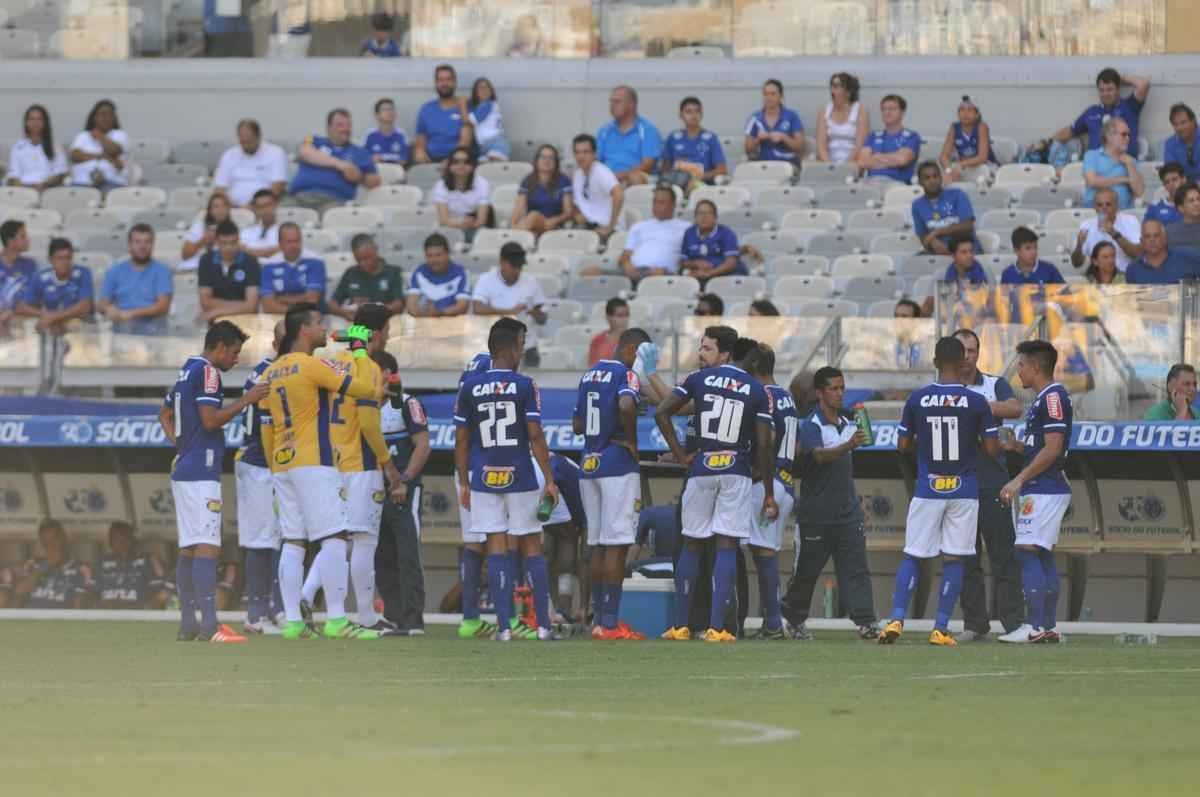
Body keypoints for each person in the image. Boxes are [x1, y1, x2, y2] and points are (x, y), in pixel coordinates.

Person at [258, 303, 388, 640]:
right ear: (303, 330)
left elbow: (266, 427)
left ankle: (294, 623)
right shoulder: (309, 365)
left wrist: (275, 468)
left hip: (282, 462)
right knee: (333, 537)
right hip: (314, 460)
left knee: (294, 541)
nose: (323, 329)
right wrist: (359, 350)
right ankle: (336, 620)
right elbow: (363, 389)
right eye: (318, 324)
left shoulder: (270, 372)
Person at [655, 327, 777, 643]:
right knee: (726, 545)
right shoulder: (755, 389)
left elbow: (662, 411)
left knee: (692, 543)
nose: (700, 353)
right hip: (735, 469)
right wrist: (767, 490)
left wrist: (682, 455)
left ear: (724, 353)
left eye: (706, 348)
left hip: (701, 468)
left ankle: (681, 626)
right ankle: (717, 627)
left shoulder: (698, 379)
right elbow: (764, 444)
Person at [879, 336, 1000, 646]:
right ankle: (941, 627)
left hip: (928, 487)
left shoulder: (917, 399)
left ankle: (895, 619)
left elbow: (902, 445)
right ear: (963, 363)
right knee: (955, 559)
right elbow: (990, 448)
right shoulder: (976, 402)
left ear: (934, 363)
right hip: (964, 489)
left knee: (914, 554)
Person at [158, 320, 266, 643]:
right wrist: (247, 400)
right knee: (207, 545)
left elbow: (163, 414)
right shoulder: (207, 373)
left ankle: (189, 624)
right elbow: (210, 420)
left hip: (186, 468)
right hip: (201, 471)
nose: (235, 360)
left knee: (189, 546)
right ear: (219, 348)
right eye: (234, 353)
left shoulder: (185, 369)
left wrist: (179, 445)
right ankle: (210, 626)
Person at [299, 304, 404, 634]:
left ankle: (305, 594)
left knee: (336, 538)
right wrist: (388, 464)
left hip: (329, 461)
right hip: (360, 463)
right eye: (386, 330)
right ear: (374, 333)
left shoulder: (327, 362)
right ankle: (367, 617)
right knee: (363, 540)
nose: (387, 337)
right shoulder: (369, 368)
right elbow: (370, 425)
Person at [453, 317, 560, 641]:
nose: (522, 352)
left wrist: (464, 482)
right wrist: (550, 478)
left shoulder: (469, 387)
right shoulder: (525, 385)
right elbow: (535, 435)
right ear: (512, 348)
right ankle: (542, 626)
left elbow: (461, 439)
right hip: (520, 475)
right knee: (531, 546)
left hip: (484, 476)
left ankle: (502, 628)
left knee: (495, 547)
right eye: (522, 345)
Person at [779, 366, 879, 640]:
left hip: (847, 512)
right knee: (806, 573)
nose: (839, 393)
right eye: (833, 389)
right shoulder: (811, 424)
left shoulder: (848, 422)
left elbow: (867, 440)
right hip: (816, 514)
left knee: (856, 568)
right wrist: (848, 446)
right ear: (820, 393)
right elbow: (819, 456)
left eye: (842, 388)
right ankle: (793, 617)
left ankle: (866, 622)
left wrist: (863, 423)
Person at [574, 327, 652, 639]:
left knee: (596, 544)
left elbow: (577, 424)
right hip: (617, 464)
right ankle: (609, 622)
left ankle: (595, 618)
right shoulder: (627, 375)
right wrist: (631, 441)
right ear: (633, 350)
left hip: (588, 463)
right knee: (617, 546)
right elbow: (625, 406)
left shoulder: (589, 374)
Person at [997, 340, 1074, 644]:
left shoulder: (1053, 397)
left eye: (1022, 365)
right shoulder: (1043, 398)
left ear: (1037, 367)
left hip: (1044, 488)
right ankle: (1048, 626)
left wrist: (1019, 479)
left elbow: (1054, 448)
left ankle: (1035, 627)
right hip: (1044, 487)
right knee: (1040, 553)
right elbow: (1043, 445)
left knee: (1026, 551)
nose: (1019, 370)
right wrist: (1017, 447)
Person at [953, 328, 1025, 641]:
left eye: (972, 350)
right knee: (965, 556)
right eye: (961, 350)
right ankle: (975, 623)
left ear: (978, 354)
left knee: (1003, 554)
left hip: (993, 480)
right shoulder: (941, 388)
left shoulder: (993, 384)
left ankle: (1012, 623)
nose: (967, 357)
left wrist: (978, 406)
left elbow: (1015, 407)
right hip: (958, 481)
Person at [738, 343, 798, 640]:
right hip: (784, 480)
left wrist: (756, 473)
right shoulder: (785, 395)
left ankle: (773, 621)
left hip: (767, 485)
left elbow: (769, 438)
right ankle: (771, 621)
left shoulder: (761, 395)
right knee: (765, 551)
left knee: (764, 554)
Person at [376, 350, 432, 633]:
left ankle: (413, 619)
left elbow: (422, 445)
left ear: (389, 373)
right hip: (373, 490)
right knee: (380, 555)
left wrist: (406, 481)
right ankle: (395, 616)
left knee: (407, 553)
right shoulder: (364, 406)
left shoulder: (407, 404)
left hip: (403, 490)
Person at [236, 320, 284, 635]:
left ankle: (280, 608)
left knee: (285, 538)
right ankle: (256, 612)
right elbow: (255, 426)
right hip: (260, 465)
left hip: (284, 466)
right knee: (262, 539)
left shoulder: (297, 368)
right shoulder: (267, 373)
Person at [288, 109, 379, 211]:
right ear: (328, 128)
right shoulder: (313, 139)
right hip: (298, 197)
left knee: (338, 219)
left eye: (348, 125)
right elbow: (304, 152)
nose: (345, 129)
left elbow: (375, 181)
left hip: (334, 201)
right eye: (340, 125)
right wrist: (341, 165)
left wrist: (359, 177)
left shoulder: (360, 152)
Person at [472, 242, 547, 362]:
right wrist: (510, 311)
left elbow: (543, 319)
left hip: (527, 348)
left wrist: (534, 312)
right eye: (513, 266)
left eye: (520, 266)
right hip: (495, 349)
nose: (517, 270)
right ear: (502, 261)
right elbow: (477, 308)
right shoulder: (486, 279)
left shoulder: (531, 282)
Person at [1052, 67, 1150, 154]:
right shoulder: (1091, 112)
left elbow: (1143, 84)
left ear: (1118, 88)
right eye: (1102, 90)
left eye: (1110, 89)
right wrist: (1046, 143)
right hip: (1095, 167)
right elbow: (1069, 131)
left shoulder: (1130, 106)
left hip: (1124, 166)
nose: (1105, 94)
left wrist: (1120, 78)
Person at [98, 225, 172, 335]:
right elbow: (102, 303)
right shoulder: (115, 271)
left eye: (147, 242)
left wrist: (130, 314)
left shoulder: (162, 271)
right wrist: (108, 309)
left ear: (153, 245)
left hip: (153, 331)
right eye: (137, 242)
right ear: (129, 245)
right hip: (121, 328)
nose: (142, 246)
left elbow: (163, 307)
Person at [11, 520, 94, 609]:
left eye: (55, 539)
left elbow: (80, 608)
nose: (52, 545)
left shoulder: (82, 569)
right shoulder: (32, 563)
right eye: (46, 542)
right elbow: (19, 594)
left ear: (64, 539)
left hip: (59, 620)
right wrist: (45, 565)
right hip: (29, 619)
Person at [19, 238, 94, 333]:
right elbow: (22, 307)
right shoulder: (41, 277)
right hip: (50, 322)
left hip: (77, 321)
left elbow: (85, 306)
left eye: (68, 258)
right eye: (60, 258)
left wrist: (55, 317)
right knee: (26, 323)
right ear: (50, 259)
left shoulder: (83, 273)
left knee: (74, 324)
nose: (65, 262)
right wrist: (44, 314)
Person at [618, 184, 690, 283]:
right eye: (654, 202)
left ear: (673, 205)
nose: (656, 206)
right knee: (593, 271)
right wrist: (626, 264)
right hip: (633, 272)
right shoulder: (639, 226)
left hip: (664, 274)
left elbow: (687, 258)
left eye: (661, 202)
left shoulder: (686, 228)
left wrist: (666, 270)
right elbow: (625, 255)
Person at [329, 233, 405, 320]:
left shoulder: (393, 272)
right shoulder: (350, 273)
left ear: (375, 250)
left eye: (366, 258)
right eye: (358, 260)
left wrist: (374, 311)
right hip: (358, 325)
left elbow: (399, 304)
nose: (363, 263)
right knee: (340, 333)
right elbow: (332, 303)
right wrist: (345, 312)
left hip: (385, 323)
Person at [96, 522, 171, 610]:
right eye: (117, 539)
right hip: (106, 617)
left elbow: (161, 596)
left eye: (126, 538)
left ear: (134, 540)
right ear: (110, 542)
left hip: (138, 616)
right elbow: (91, 595)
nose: (122, 543)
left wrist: (136, 608)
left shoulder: (148, 561)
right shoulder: (101, 563)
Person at [597, 85, 662, 186]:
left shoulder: (648, 130)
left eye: (617, 102)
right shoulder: (605, 131)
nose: (612, 106)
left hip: (632, 179)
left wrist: (618, 176)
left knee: (635, 177)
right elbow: (595, 160)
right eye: (611, 102)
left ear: (632, 104)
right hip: (607, 180)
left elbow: (647, 165)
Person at [197, 220, 261, 323]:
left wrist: (216, 312)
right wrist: (242, 306)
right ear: (216, 242)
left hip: (246, 321)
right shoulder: (206, 260)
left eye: (233, 242)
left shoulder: (251, 262)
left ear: (238, 240)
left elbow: (252, 306)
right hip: (215, 323)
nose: (229, 247)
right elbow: (205, 302)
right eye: (224, 243)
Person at [213, 119, 288, 207]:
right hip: (233, 207)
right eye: (243, 142)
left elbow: (277, 188)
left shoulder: (276, 153)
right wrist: (231, 205)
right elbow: (220, 188)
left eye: (249, 142)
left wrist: (253, 206)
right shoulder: (229, 155)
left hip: (264, 206)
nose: (246, 146)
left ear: (258, 137)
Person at [912, 160, 980, 255]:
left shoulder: (957, 195)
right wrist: (932, 242)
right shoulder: (917, 205)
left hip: (965, 250)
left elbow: (967, 226)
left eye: (935, 176)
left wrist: (937, 232)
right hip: (938, 251)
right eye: (927, 178)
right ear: (920, 182)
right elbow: (923, 237)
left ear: (941, 178)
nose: (932, 181)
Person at [1070, 187, 1142, 273]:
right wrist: (1079, 246)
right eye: (1099, 205)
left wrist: (1113, 233)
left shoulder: (1130, 221)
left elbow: (1137, 255)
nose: (1104, 208)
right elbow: (1076, 264)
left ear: (1117, 206)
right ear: (1094, 207)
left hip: (1126, 276)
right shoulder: (1086, 225)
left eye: (1108, 204)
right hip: (1098, 278)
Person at [661, 96, 727, 188]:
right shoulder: (673, 138)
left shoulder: (711, 138)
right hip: (676, 184)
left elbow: (722, 170)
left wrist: (699, 177)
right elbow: (665, 168)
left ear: (702, 114)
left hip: (701, 185)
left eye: (697, 111)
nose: (694, 115)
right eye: (689, 112)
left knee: (693, 186)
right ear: (681, 115)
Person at [260, 223, 326, 313]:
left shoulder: (315, 261)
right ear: (280, 244)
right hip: (278, 318)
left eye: (297, 241)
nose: (294, 245)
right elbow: (268, 306)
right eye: (289, 242)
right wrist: (301, 299)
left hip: (309, 318)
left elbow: (312, 300)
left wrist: (281, 299)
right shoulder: (269, 265)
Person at [856, 95, 921, 184]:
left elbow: (902, 159)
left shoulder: (912, 136)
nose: (887, 112)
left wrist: (876, 157)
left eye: (891, 109)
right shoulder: (873, 136)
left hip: (897, 184)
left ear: (902, 112)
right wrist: (892, 159)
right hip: (870, 182)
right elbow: (863, 162)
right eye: (884, 109)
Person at [414, 64, 472, 164]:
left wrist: (451, 160)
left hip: (458, 161)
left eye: (448, 79)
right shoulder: (426, 109)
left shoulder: (465, 107)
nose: (444, 83)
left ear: (455, 82)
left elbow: (465, 141)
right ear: (436, 83)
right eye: (440, 80)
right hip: (430, 160)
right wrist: (420, 150)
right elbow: (421, 137)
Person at [1082, 117, 1144, 210]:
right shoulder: (1092, 155)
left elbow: (1139, 192)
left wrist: (1130, 165)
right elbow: (1092, 181)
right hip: (1094, 214)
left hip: (1123, 213)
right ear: (1109, 136)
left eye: (1128, 135)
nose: (1128, 138)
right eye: (1123, 134)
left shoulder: (1130, 160)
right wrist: (1124, 180)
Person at [431, 146, 491, 240]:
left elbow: (481, 220)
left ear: (473, 166)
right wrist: (461, 223)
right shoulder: (441, 185)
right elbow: (444, 220)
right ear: (450, 165)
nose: (461, 165)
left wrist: (470, 224)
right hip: (449, 228)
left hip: (474, 227)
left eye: (466, 162)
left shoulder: (482, 183)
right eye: (456, 162)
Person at [680, 199, 745, 285]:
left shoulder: (726, 233)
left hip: (724, 277)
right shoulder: (689, 233)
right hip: (698, 277)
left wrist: (709, 274)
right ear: (695, 217)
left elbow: (731, 263)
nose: (704, 217)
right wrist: (695, 263)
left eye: (708, 213)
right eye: (700, 213)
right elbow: (683, 262)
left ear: (715, 218)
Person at [571, 134, 623, 240]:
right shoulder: (577, 174)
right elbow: (578, 202)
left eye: (585, 152)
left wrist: (610, 226)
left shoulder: (601, 171)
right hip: (588, 226)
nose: (581, 156)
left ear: (594, 154)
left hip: (607, 229)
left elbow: (619, 194)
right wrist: (578, 214)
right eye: (577, 152)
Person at [512, 144, 574, 234]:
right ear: (536, 160)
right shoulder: (528, 180)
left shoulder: (564, 181)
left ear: (556, 162)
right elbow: (518, 208)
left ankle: (514, 235)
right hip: (532, 225)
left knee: (533, 216)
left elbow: (568, 212)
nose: (546, 161)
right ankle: (515, 233)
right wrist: (513, 224)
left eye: (551, 158)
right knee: (532, 217)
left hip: (554, 225)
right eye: (543, 157)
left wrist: (555, 220)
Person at [405, 232, 470, 317]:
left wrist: (439, 313)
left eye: (438, 255)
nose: (434, 260)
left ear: (447, 254)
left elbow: (462, 306)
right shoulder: (419, 272)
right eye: (429, 256)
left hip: (452, 322)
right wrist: (421, 314)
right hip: (423, 322)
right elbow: (411, 305)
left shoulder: (461, 273)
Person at [68, 99, 128, 190]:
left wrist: (100, 136)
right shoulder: (83, 135)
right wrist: (104, 157)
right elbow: (75, 155)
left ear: (114, 118)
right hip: (82, 182)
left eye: (110, 115)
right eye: (102, 114)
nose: (106, 118)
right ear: (94, 117)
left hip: (111, 183)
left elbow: (114, 150)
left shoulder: (120, 134)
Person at [744, 79, 805, 166]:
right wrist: (758, 140)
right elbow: (747, 150)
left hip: (787, 166)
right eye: (765, 94)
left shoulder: (792, 116)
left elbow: (800, 147)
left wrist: (783, 137)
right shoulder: (755, 118)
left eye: (773, 94)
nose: (768, 98)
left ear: (781, 96)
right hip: (762, 166)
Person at [938, 95, 998, 183]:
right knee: (946, 178)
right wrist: (949, 170)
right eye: (962, 110)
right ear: (958, 113)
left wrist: (960, 165)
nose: (965, 114)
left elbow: (982, 157)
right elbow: (943, 156)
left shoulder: (982, 127)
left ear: (977, 114)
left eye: (970, 110)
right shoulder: (954, 127)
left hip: (985, 166)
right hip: (965, 167)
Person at [7, 104, 67, 189]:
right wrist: (26, 188)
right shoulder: (18, 147)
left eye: (39, 119)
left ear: (45, 122)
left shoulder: (55, 146)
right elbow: (13, 175)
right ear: (26, 123)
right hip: (23, 191)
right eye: (32, 119)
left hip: (48, 190)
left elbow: (61, 173)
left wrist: (45, 185)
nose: (35, 123)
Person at [1126, 218, 1200, 284]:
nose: (1152, 240)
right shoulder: (1133, 269)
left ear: (1165, 239)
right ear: (1142, 242)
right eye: (1147, 236)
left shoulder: (1188, 257)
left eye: (1156, 235)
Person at [816, 72, 867, 165]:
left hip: (853, 160)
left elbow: (860, 145)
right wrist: (829, 165)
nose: (832, 90)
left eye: (836, 86)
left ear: (848, 91)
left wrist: (845, 167)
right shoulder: (824, 110)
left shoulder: (860, 110)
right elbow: (821, 145)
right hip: (828, 160)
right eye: (831, 86)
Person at [0, 220, 38, 336]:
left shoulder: (30, 265)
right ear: (11, 241)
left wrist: (12, 312)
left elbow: (35, 299)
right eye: (23, 236)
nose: (28, 240)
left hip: (22, 319)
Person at [1001, 226, 1066, 285]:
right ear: (1016, 250)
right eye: (1028, 248)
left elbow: (1065, 294)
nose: (1034, 252)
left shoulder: (1050, 269)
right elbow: (1003, 297)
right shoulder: (1007, 274)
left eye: (1035, 247)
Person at [468, 77, 510, 162]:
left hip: (495, 144)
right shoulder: (483, 106)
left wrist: (462, 107)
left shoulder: (488, 104)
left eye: (487, 87)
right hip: (485, 146)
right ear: (475, 93)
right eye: (480, 88)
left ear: (491, 91)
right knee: (484, 168)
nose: (484, 90)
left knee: (493, 168)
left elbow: (471, 120)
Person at [363, 98, 410, 165]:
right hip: (376, 172)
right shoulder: (369, 134)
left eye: (391, 109)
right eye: (385, 110)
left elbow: (404, 160)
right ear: (377, 115)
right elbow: (363, 158)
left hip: (397, 171)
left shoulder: (401, 134)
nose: (389, 112)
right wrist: (371, 159)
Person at [240, 189, 281, 260]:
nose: (265, 210)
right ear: (255, 209)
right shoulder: (246, 232)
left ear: (276, 205)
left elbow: (286, 247)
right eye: (261, 207)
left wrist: (249, 251)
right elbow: (238, 247)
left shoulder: (285, 231)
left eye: (268, 205)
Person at [1163, 103, 1200, 182]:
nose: (1179, 128)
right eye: (1175, 124)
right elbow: (1172, 174)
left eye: (1183, 122)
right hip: (1183, 188)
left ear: (1193, 121)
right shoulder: (1170, 145)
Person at [588, 297, 629, 367]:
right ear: (608, 317)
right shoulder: (597, 341)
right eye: (620, 315)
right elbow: (593, 368)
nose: (624, 319)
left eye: (627, 315)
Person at [1165, 181, 1200, 255]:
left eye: (1198, 199)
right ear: (1181, 208)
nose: (1197, 203)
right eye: (1191, 201)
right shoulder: (1168, 231)